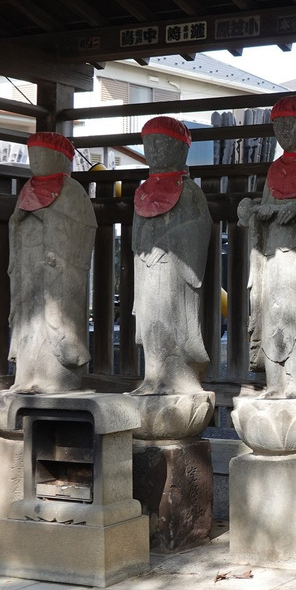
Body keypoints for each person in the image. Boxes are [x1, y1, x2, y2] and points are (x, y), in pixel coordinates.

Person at [238, 96, 296, 399]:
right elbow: (267, 207)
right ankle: (277, 384)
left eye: (293, 124)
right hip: (273, 260)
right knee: (274, 318)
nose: (286, 132)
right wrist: (252, 212)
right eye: (279, 125)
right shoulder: (273, 171)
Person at [8, 132, 96, 392]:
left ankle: (56, 378)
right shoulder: (28, 189)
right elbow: (15, 225)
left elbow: (83, 227)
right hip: (29, 269)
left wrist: (51, 225)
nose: (37, 161)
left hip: (57, 270)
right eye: (33, 155)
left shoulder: (71, 190)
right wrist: (19, 221)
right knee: (29, 321)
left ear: (59, 157)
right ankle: (26, 376)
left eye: (43, 155)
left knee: (55, 320)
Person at [131, 116, 212, 395]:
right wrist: (143, 250)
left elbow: (200, 227)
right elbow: (135, 238)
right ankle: (152, 377)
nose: (154, 151)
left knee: (173, 322)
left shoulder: (189, 191)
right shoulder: (142, 192)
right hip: (149, 272)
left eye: (162, 144)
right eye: (149, 145)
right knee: (151, 320)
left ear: (180, 149)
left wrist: (167, 243)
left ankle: (177, 378)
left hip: (175, 272)